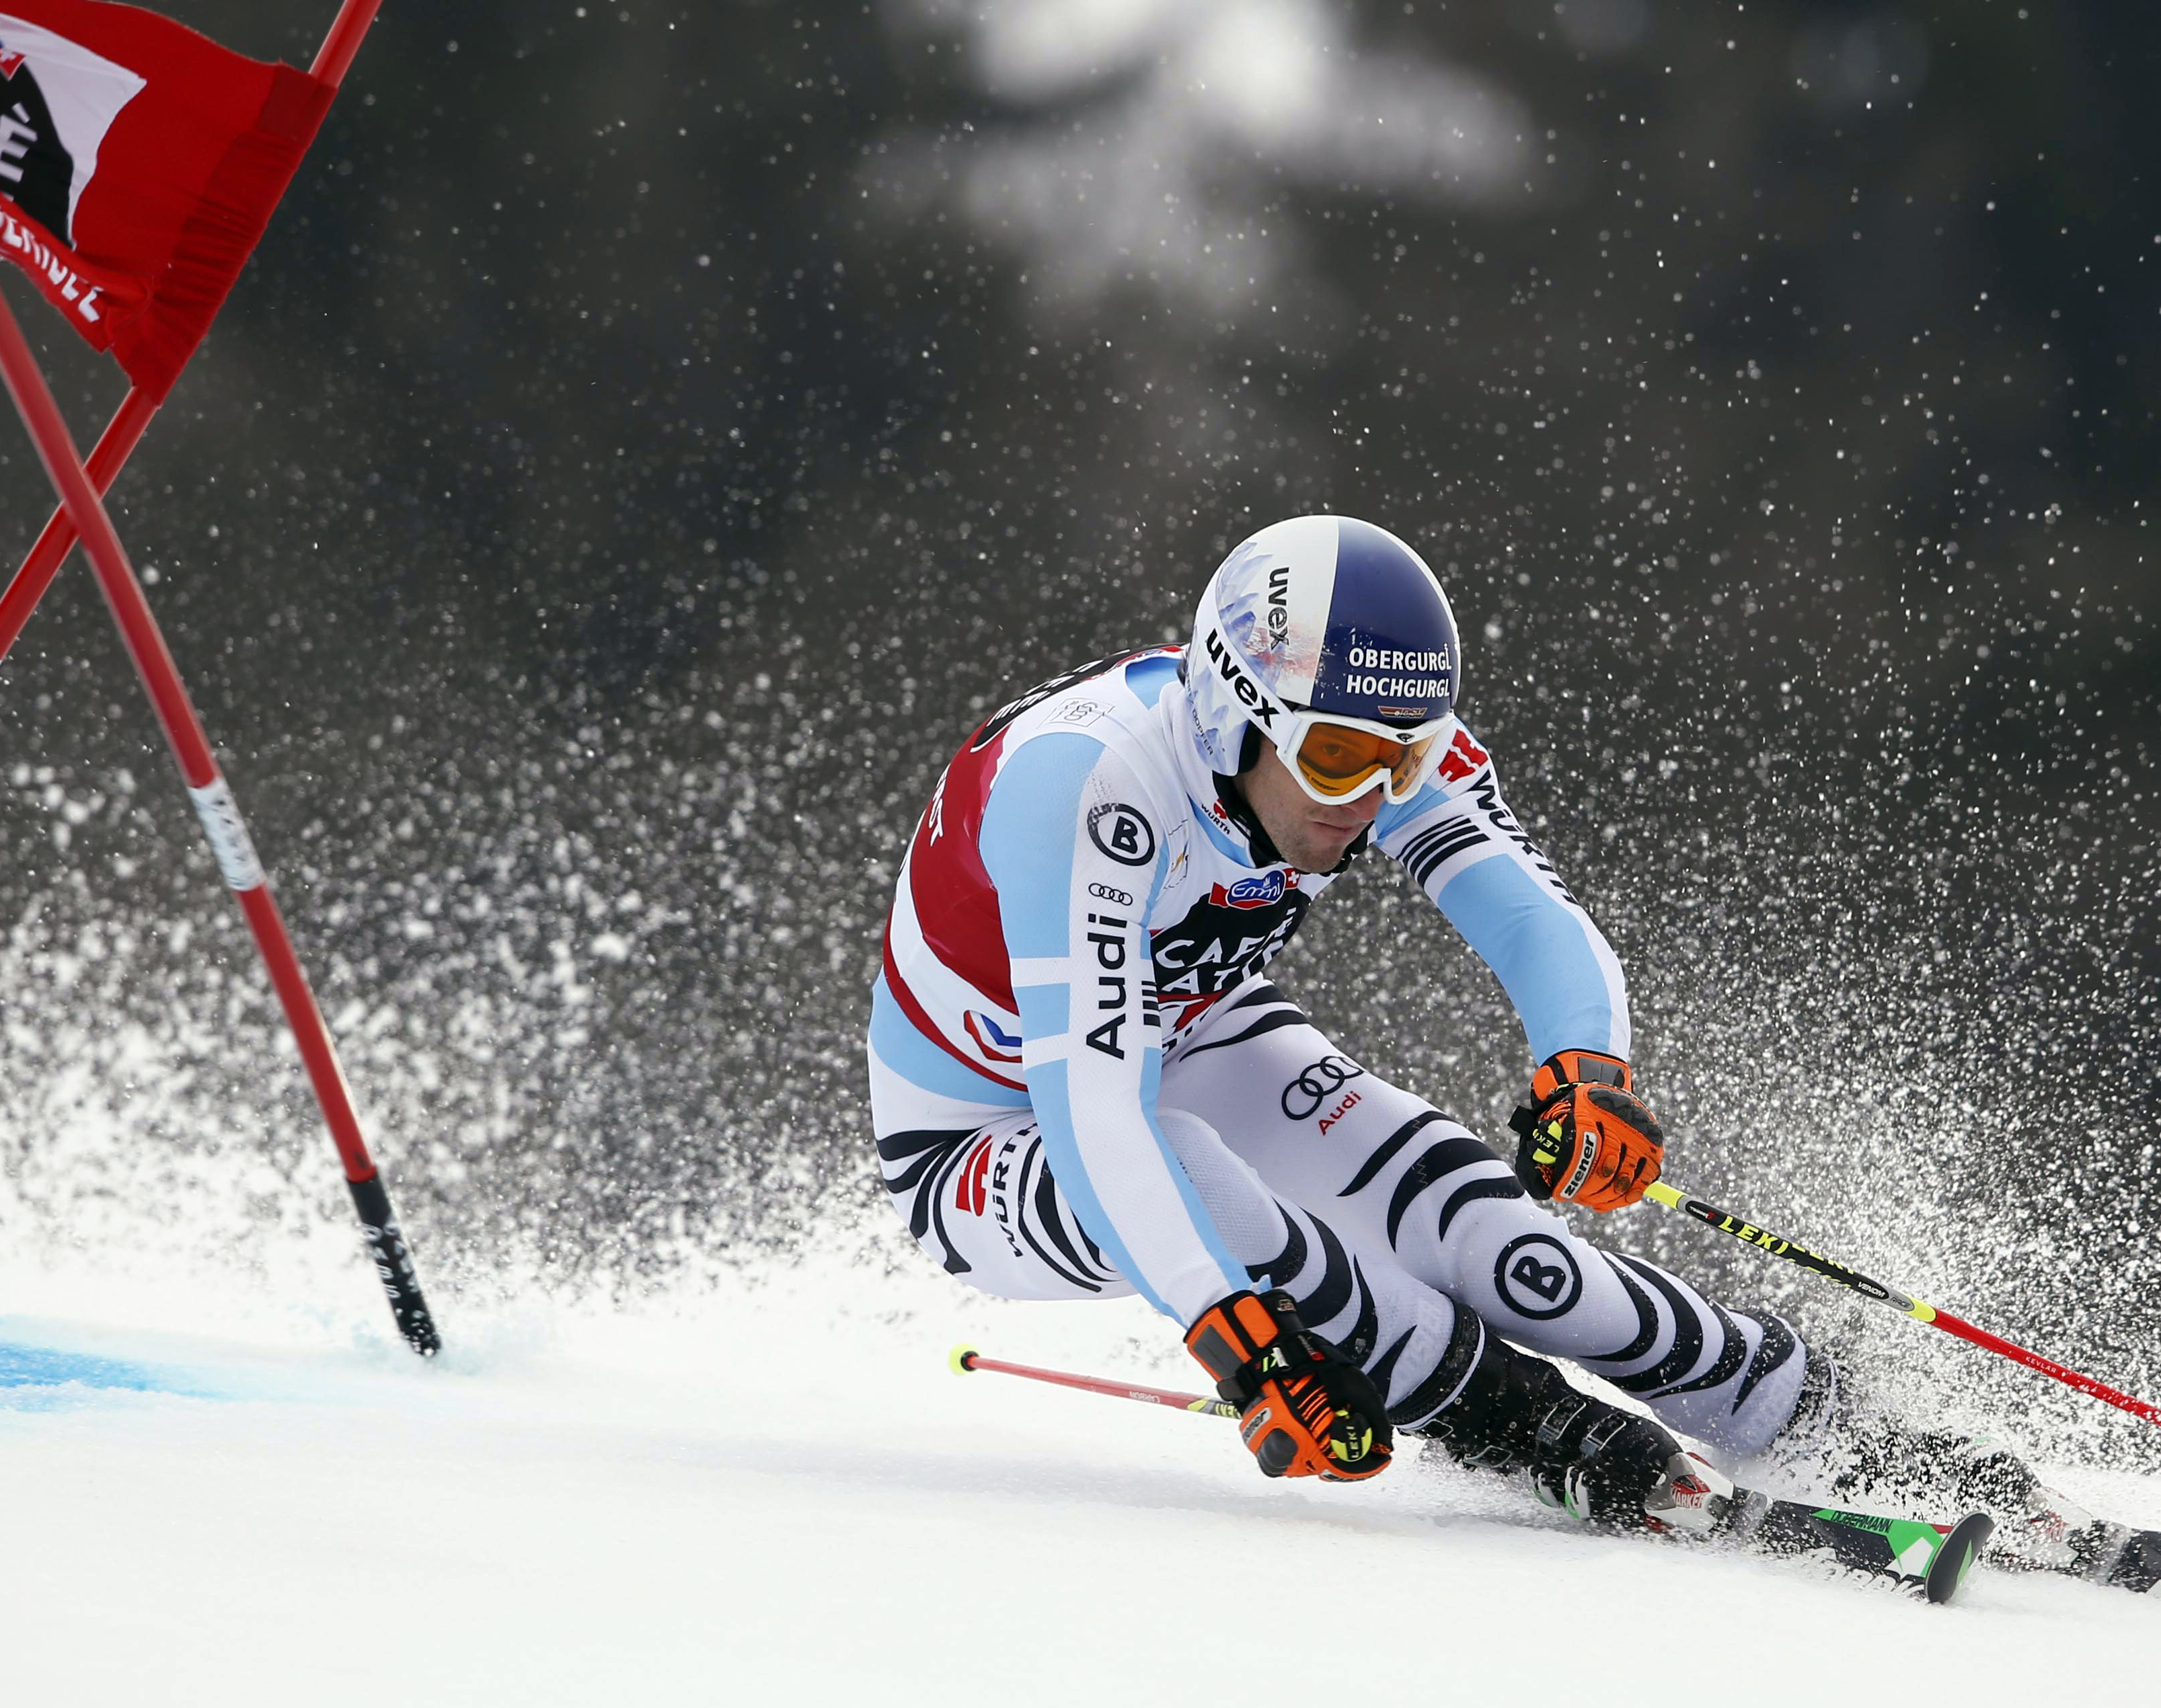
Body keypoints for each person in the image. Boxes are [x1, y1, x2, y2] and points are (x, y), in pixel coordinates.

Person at [869, 514, 2043, 1539]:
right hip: (984, 1136)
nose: (1368, 796)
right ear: (1234, 713)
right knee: (1221, 1202)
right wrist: (1242, 1342)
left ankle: (1800, 1413)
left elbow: (1530, 914)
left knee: (1503, 1247)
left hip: (1195, 1030)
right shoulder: (1086, 785)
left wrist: (1584, 1069)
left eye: (1405, 759)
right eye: (1336, 759)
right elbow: (1095, 1110)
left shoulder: (1361, 727)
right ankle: (1519, 1422)